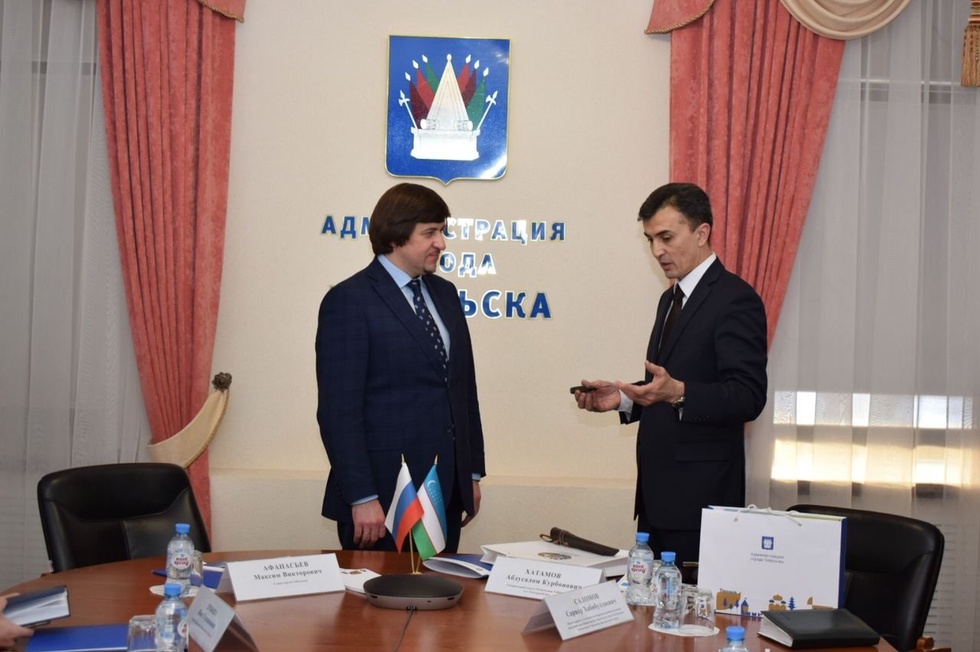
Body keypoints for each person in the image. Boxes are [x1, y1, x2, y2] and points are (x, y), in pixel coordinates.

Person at [574, 182, 767, 568]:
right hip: (656, 498)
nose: (657, 251)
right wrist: (623, 398)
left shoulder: (735, 299)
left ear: (701, 232)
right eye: (650, 240)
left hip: (700, 502)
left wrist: (680, 392)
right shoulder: (670, 299)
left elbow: (748, 396)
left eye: (666, 237)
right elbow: (664, 387)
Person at [316, 182, 486, 552]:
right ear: (396, 236)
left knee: (439, 588)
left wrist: (470, 473)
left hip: (444, 493)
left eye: (442, 231)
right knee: (380, 592)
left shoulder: (445, 295)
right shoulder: (349, 300)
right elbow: (338, 412)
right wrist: (362, 496)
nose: (441, 243)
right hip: (383, 501)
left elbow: (462, 390)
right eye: (430, 233)